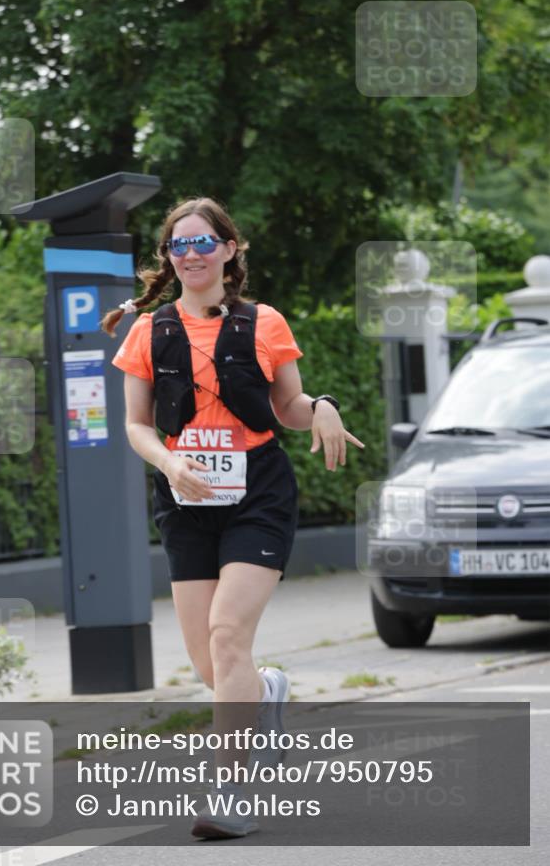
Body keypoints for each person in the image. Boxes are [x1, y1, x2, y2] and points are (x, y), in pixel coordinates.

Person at [102, 196, 365, 840]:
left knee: (227, 635)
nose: (191, 254)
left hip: (258, 494)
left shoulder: (263, 322)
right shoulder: (148, 332)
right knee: (212, 665)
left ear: (229, 249)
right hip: (186, 498)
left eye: (203, 243)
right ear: (168, 257)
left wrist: (322, 406)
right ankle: (266, 689)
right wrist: (170, 463)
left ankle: (232, 791)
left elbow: (288, 406)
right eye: (179, 245)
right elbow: (136, 425)